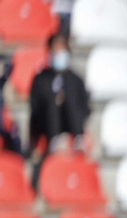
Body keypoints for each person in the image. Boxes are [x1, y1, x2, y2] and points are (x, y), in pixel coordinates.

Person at [27, 34, 89, 167]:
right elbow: (35, 107)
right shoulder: (40, 79)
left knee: (69, 97)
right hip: (47, 126)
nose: (59, 53)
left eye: (62, 50)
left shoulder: (75, 79)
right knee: (53, 100)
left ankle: (78, 139)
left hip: (71, 123)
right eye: (55, 50)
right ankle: (54, 140)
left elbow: (84, 106)